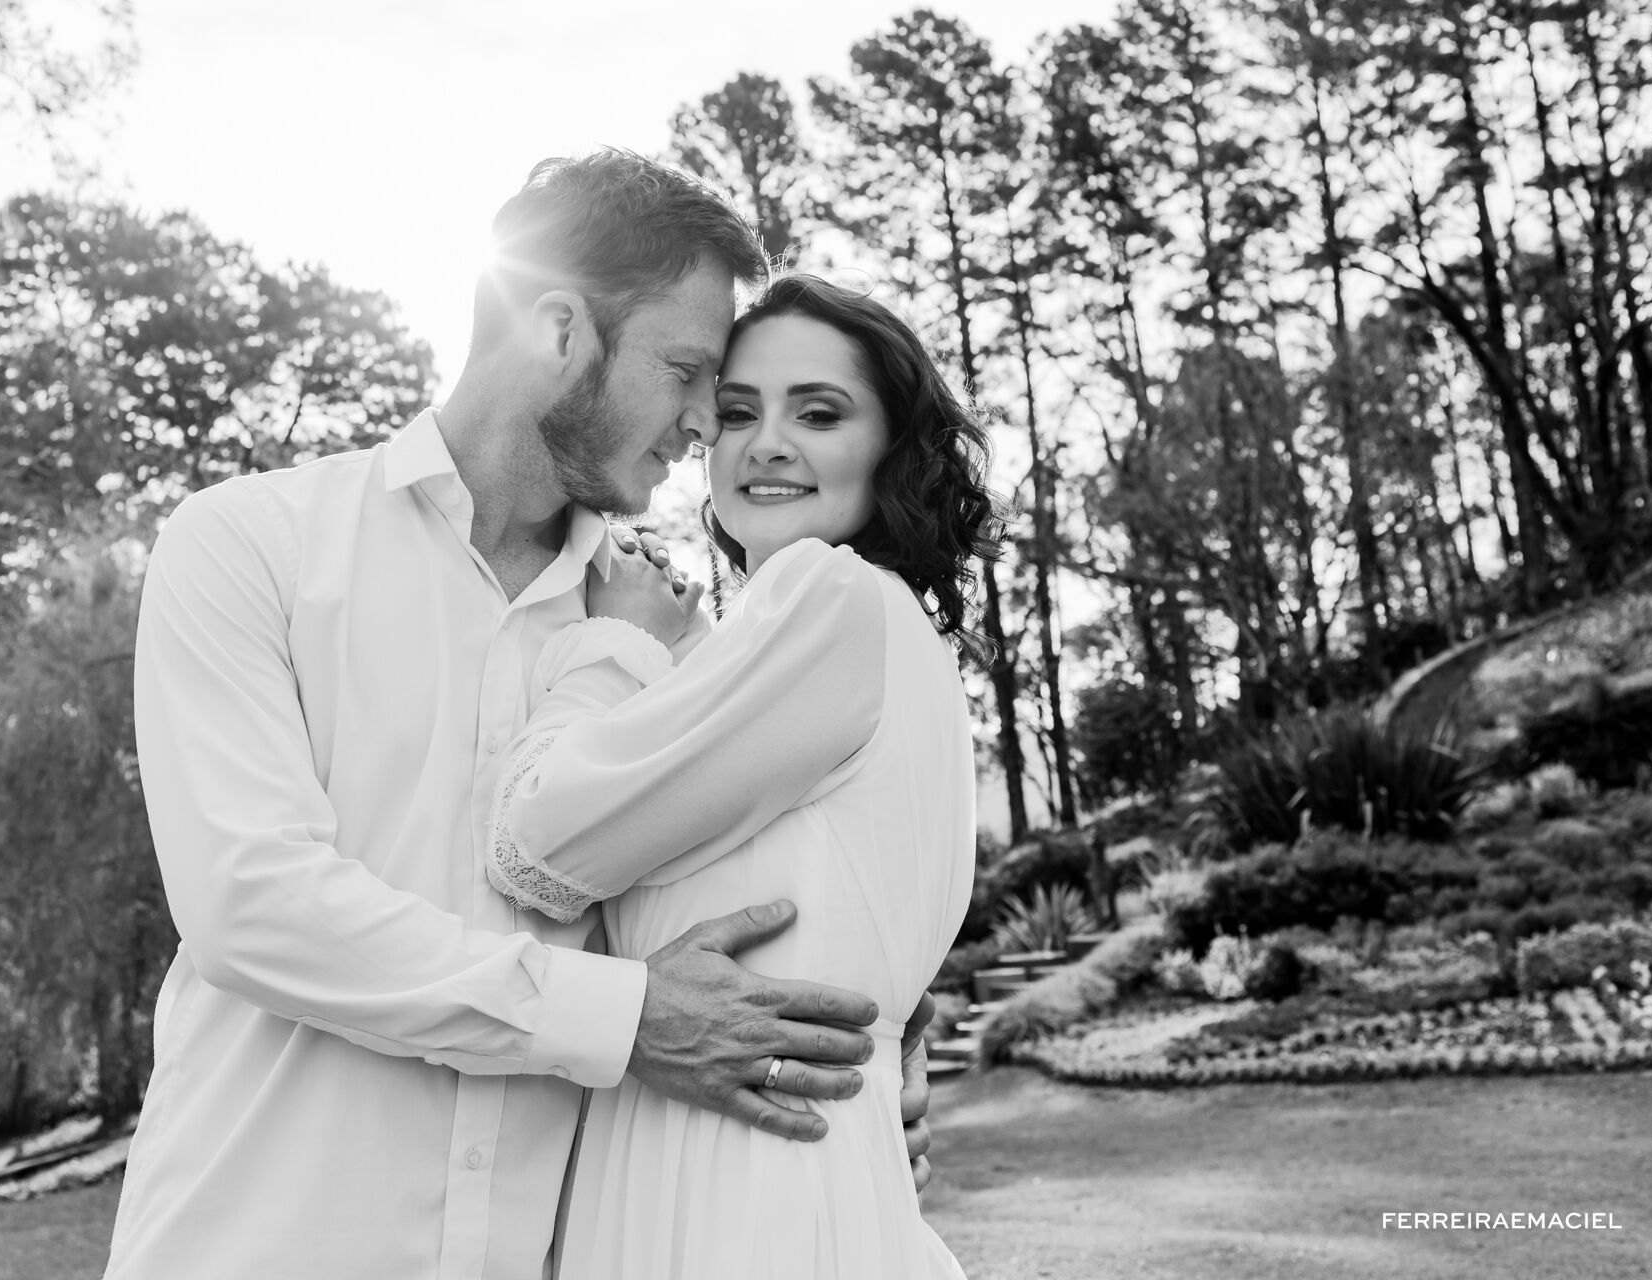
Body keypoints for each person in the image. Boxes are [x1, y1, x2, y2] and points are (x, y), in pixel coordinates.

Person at [104, 151, 931, 1280]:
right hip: (252, 1246)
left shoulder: (666, 636)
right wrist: (624, 1016)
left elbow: (792, 876)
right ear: (558, 329)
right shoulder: (251, 546)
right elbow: (253, 904)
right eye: (688, 371)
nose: (707, 423)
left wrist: (872, 1071)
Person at [488, 274, 996, 1278]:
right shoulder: (855, 634)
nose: (766, 443)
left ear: (892, 446)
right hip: (772, 1158)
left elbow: (535, 845)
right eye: (736, 412)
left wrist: (614, 645)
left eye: (820, 412)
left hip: (740, 1184)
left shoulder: (830, 593)